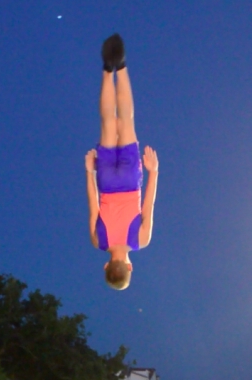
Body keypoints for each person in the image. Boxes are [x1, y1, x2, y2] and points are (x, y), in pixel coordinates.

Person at [86, 33, 159, 290]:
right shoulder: (99, 242)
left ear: (129, 267)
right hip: (105, 182)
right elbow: (93, 204)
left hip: (130, 182)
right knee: (108, 122)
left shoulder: (142, 239)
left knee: (126, 121)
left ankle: (122, 65)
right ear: (106, 267)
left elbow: (148, 205)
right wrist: (89, 173)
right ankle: (108, 70)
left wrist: (154, 172)